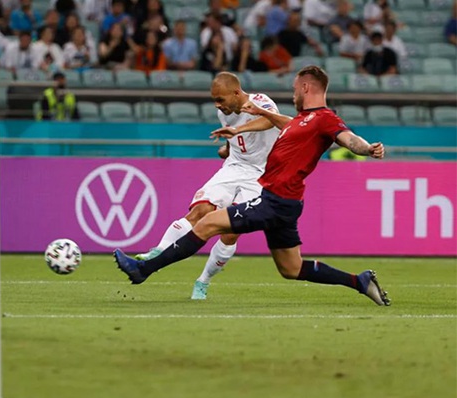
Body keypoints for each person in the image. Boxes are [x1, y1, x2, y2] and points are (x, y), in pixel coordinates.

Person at [114, 65, 391, 307]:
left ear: (306, 87)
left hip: (275, 200)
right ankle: (359, 281)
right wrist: (239, 134)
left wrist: (367, 148)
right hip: (285, 202)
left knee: (208, 224)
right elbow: (286, 125)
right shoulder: (302, 120)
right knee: (291, 268)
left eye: (295, 89)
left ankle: (143, 269)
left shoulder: (325, 119)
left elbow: (348, 138)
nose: (293, 94)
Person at [135, 72, 280, 300]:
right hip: (233, 168)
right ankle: (158, 251)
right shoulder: (224, 112)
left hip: (260, 175)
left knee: (231, 231)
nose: (217, 104)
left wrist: (238, 131)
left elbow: (271, 120)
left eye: (220, 99)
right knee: (200, 210)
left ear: (236, 93)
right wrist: (228, 148)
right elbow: (235, 142)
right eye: (214, 99)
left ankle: (203, 281)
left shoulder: (261, 101)